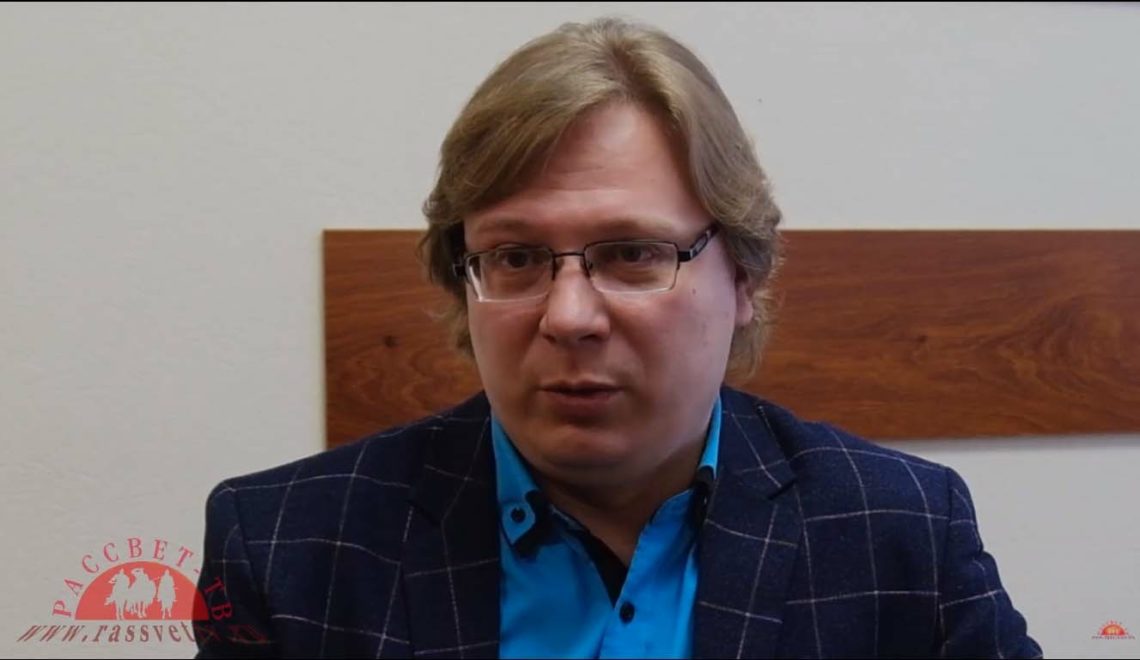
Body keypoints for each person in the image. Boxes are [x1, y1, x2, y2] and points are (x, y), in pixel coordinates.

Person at [195, 16, 1041, 659]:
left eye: (634, 254)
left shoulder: (901, 531)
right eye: (515, 258)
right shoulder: (285, 548)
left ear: (743, 277)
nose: (569, 317)